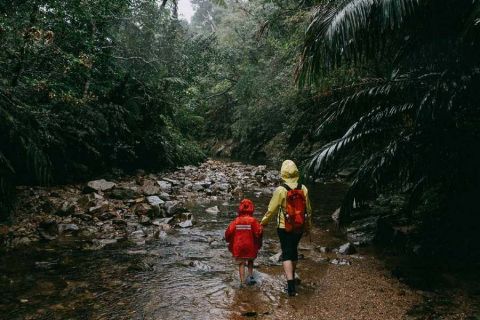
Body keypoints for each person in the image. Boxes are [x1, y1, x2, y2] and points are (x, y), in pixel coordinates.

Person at [261, 160, 312, 296]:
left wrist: (263, 222)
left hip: (284, 226)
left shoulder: (281, 189)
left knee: (286, 253)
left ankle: (290, 287)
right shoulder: (304, 188)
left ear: (283, 173)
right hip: (299, 226)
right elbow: (308, 210)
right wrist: (308, 227)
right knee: (293, 250)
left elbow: (271, 209)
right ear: (296, 172)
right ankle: (292, 279)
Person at [225, 199, 263, 286]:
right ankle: (250, 276)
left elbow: (229, 232)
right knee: (250, 260)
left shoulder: (236, 221)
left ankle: (242, 281)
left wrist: (228, 240)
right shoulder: (253, 221)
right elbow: (258, 232)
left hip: (239, 246)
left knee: (241, 263)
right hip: (250, 246)